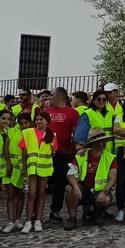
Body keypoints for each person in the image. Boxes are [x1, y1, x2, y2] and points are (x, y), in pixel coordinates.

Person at [65, 130, 118, 229]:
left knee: (106, 200)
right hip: (83, 189)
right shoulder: (81, 156)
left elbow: (113, 179)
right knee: (70, 189)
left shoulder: (110, 157)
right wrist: (76, 187)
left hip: (99, 191)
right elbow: (70, 174)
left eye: (104, 141)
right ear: (93, 143)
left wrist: (104, 191)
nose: (103, 143)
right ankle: (72, 218)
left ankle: (97, 214)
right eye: (100, 141)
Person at [45, 89, 80, 223]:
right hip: (45, 153)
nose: (50, 97)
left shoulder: (72, 113)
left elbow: (76, 132)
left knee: (59, 183)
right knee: (45, 183)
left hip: (63, 153)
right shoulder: (47, 111)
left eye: (52, 95)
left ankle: (55, 210)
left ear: (60, 96)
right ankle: (36, 213)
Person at [20, 111, 55, 233]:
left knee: (41, 194)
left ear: (47, 122)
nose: (38, 122)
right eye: (37, 120)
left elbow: (53, 151)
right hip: (32, 167)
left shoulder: (52, 135)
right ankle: (28, 221)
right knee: (31, 194)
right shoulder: (28, 133)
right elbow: (24, 151)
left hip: (44, 168)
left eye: (41, 119)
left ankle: (38, 220)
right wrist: (24, 166)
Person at [3, 110, 31, 232]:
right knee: (10, 195)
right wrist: (8, 164)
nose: (23, 125)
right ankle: (10, 221)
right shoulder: (11, 131)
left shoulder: (31, 134)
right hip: (11, 166)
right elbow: (6, 149)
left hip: (22, 169)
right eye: (21, 123)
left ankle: (18, 219)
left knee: (20, 195)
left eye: (26, 123)